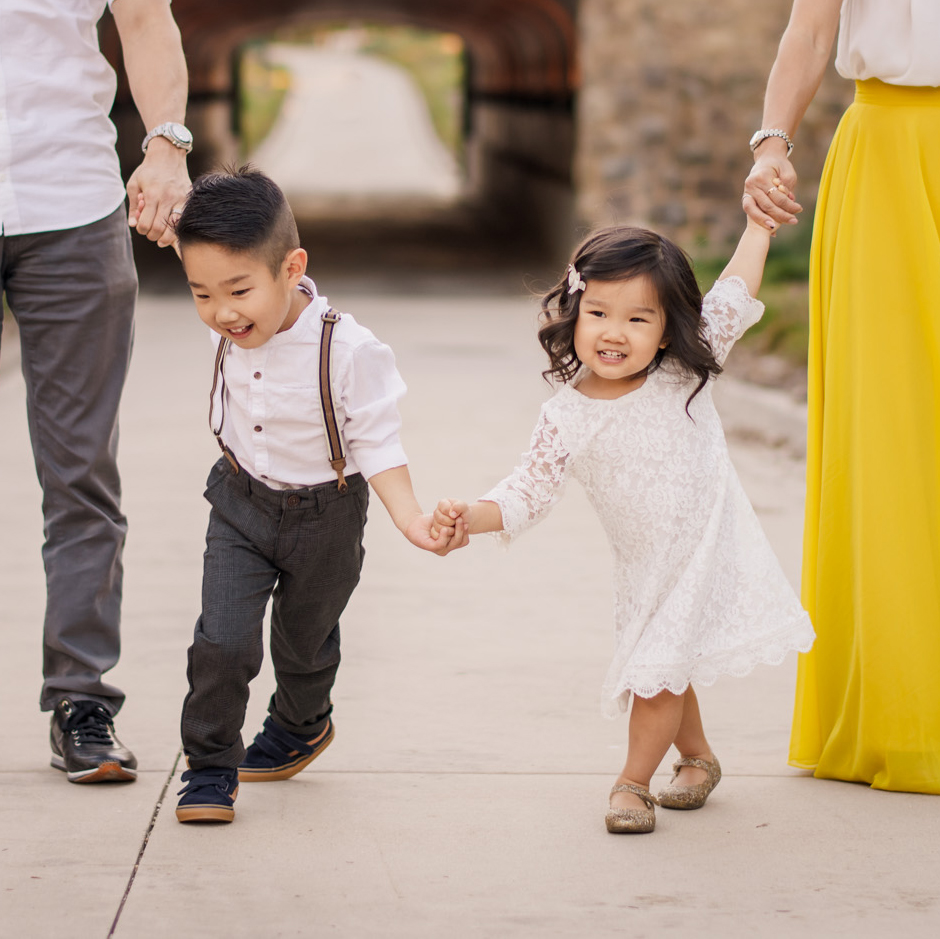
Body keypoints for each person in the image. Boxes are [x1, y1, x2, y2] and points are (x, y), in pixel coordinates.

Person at [431, 219, 815, 833]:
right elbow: (527, 490)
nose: (614, 333)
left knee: (655, 674)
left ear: (667, 330)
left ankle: (630, 784)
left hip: (705, 545)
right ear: (574, 314)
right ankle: (698, 757)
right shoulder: (565, 416)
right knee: (664, 661)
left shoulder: (681, 372)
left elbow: (734, 293)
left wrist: (757, 226)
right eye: (599, 313)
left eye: (639, 319)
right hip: (644, 568)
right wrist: (469, 518)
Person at [172, 166, 467, 824]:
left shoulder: (348, 349)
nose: (222, 312)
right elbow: (196, 247)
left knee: (304, 645)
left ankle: (301, 724)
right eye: (201, 294)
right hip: (240, 504)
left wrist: (411, 518)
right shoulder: (232, 316)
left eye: (239, 290)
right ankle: (209, 766)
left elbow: (379, 444)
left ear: (291, 267)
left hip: (327, 514)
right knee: (221, 642)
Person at [743, 0, 940, 794]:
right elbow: (812, 28)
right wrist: (770, 146)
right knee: (890, 430)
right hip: (890, 149)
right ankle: (904, 710)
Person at [0, 0, 191, 783]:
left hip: (70, 205)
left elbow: (145, 20)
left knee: (80, 474)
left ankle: (82, 700)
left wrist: (166, 146)